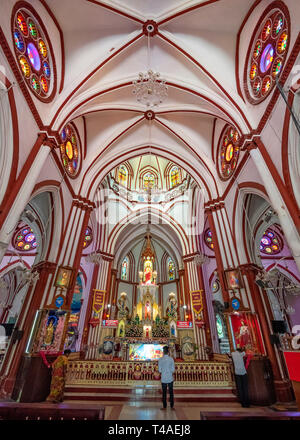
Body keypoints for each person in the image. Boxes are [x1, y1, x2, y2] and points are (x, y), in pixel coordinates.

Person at [158, 345, 175, 410]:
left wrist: (163, 371)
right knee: (171, 392)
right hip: (170, 377)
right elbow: (173, 370)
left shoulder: (160, 359)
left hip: (163, 378)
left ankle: (164, 406)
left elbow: (159, 370)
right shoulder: (171, 359)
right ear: (168, 352)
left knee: (164, 392)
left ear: (163, 352)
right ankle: (172, 406)